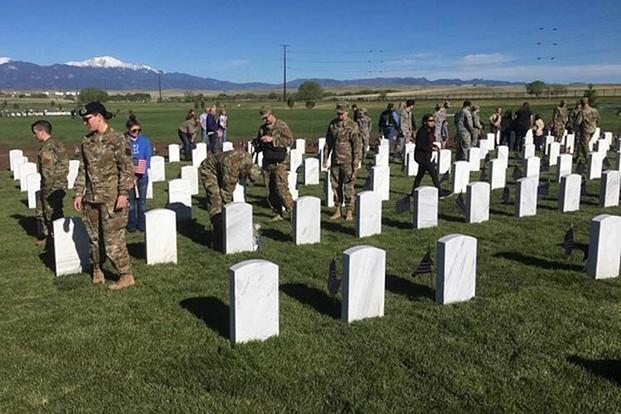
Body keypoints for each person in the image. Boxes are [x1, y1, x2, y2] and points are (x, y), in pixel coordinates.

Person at [73, 102, 135, 290]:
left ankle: (126, 275)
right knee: (94, 237)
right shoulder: (87, 142)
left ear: (99, 116)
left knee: (113, 239)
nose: (85, 123)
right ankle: (97, 268)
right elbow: (83, 169)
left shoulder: (117, 140)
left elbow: (126, 169)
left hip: (112, 199)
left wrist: (123, 193)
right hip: (91, 198)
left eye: (87, 119)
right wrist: (78, 193)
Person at [199, 149, 261, 251]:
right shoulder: (232, 169)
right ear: (244, 171)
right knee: (216, 200)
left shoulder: (248, 160)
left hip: (222, 168)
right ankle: (218, 235)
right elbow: (226, 194)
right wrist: (233, 214)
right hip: (209, 170)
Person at [322, 102, 362, 221]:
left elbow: (357, 146)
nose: (340, 115)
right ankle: (338, 210)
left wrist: (356, 163)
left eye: (342, 113)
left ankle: (349, 210)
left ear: (347, 112)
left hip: (348, 161)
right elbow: (328, 142)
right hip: (335, 160)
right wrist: (325, 158)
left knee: (348, 186)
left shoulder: (352, 125)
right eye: (338, 113)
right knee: (335, 186)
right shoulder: (333, 124)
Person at [32, 119, 68, 247]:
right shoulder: (57, 143)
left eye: (35, 132)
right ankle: (53, 238)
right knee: (54, 211)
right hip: (59, 184)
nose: (34, 135)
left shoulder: (48, 148)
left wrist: (47, 188)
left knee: (51, 213)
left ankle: (56, 240)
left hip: (51, 186)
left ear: (42, 132)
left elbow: (48, 171)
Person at [254, 105, 294, 221]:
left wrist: (273, 140)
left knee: (281, 189)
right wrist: (258, 144)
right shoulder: (262, 129)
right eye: (263, 118)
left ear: (272, 114)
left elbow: (290, 141)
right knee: (270, 191)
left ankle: (292, 211)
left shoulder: (282, 126)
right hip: (267, 162)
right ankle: (278, 212)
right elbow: (261, 145)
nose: (265, 120)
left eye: (266, 117)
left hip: (279, 162)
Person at [411, 114, 451, 197]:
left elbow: (428, 143)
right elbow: (420, 145)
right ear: (425, 122)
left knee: (420, 175)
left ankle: (413, 192)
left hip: (426, 155)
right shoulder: (422, 131)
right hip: (421, 156)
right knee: (433, 173)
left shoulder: (429, 130)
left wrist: (433, 146)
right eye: (430, 121)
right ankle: (440, 192)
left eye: (433, 120)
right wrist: (431, 148)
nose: (433, 122)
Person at [125, 118, 152, 233]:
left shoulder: (144, 141)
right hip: (127, 175)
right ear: (128, 129)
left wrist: (140, 172)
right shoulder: (123, 140)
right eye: (134, 130)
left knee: (142, 201)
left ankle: (142, 224)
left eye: (138, 130)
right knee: (130, 201)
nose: (137, 132)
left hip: (142, 176)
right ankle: (131, 224)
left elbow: (147, 157)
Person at [575, 97, 600, 166]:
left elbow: (578, 122)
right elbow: (598, 119)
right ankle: (587, 157)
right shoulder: (594, 110)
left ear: (582, 103)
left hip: (585, 130)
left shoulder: (582, 112)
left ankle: (588, 159)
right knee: (587, 143)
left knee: (584, 145)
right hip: (593, 129)